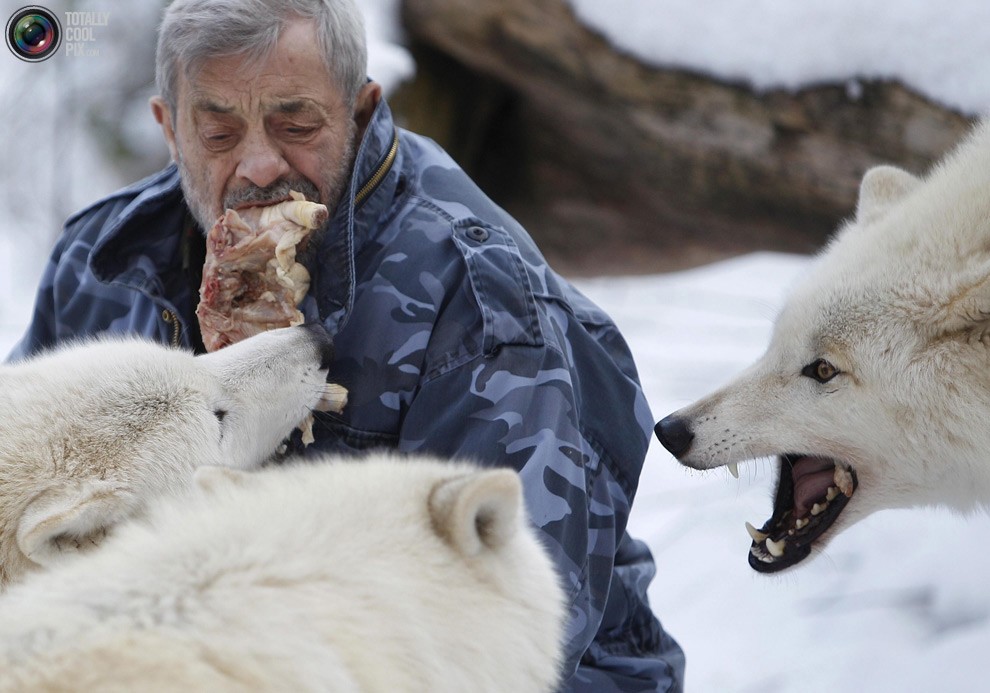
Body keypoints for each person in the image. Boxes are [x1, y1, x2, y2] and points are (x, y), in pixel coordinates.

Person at [9, 0, 685, 689]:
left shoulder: (482, 299)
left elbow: (513, 620)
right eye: (217, 130)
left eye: (296, 123)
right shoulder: (100, 262)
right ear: (170, 129)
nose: (261, 165)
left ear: (361, 112)